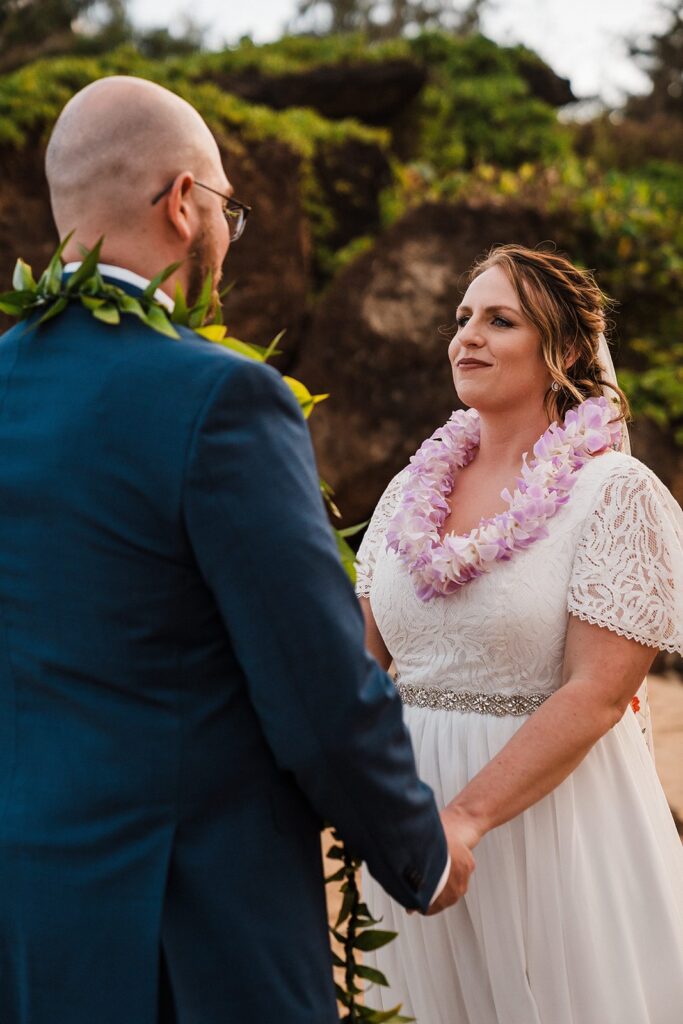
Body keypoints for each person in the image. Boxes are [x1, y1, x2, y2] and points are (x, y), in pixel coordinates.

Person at [0, 75, 468, 1024]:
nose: (226, 234)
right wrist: (420, 852)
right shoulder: (220, 398)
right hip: (189, 935)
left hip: (29, 916)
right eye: (226, 209)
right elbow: (316, 687)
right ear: (182, 204)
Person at [357, 243, 683, 1024]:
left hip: (549, 824)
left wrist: (464, 818)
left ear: (565, 350)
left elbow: (600, 691)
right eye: (461, 317)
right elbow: (358, 665)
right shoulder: (408, 490)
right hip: (409, 826)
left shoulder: (612, 490)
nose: (466, 336)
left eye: (499, 320)